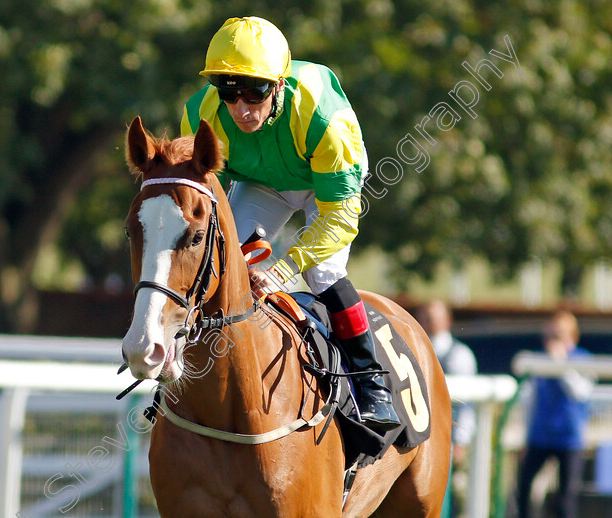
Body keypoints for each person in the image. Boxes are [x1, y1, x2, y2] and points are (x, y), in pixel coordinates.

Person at [180, 16, 399, 432]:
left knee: (323, 270)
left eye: (255, 91)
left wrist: (282, 269)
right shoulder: (202, 116)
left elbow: (339, 220)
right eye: (228, 92)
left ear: (278, 85)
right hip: (263, 182)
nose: (242, 108)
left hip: (325, 188)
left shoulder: (327, 122)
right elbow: (204, 204)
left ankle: (372, 384)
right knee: (220, 260)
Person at [516, 311, 593, 518]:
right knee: (523, 488)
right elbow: (530, 400)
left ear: (572, 336)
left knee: (565, 499)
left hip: (570, 438)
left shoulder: (583, 358)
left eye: (557, 336)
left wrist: (560, 364)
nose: (551, 342)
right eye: (548, 336)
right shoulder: (539, 359)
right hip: (540, 436)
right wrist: (525, 437)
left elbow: (581, 392)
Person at [417, 300, 478, 516]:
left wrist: (460, 440)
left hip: (445, 436)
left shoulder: (460, 355)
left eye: (433, 317)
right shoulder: (413, 347)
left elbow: (466, 403)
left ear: (447, 320)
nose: (427, 321)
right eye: (424, 316)